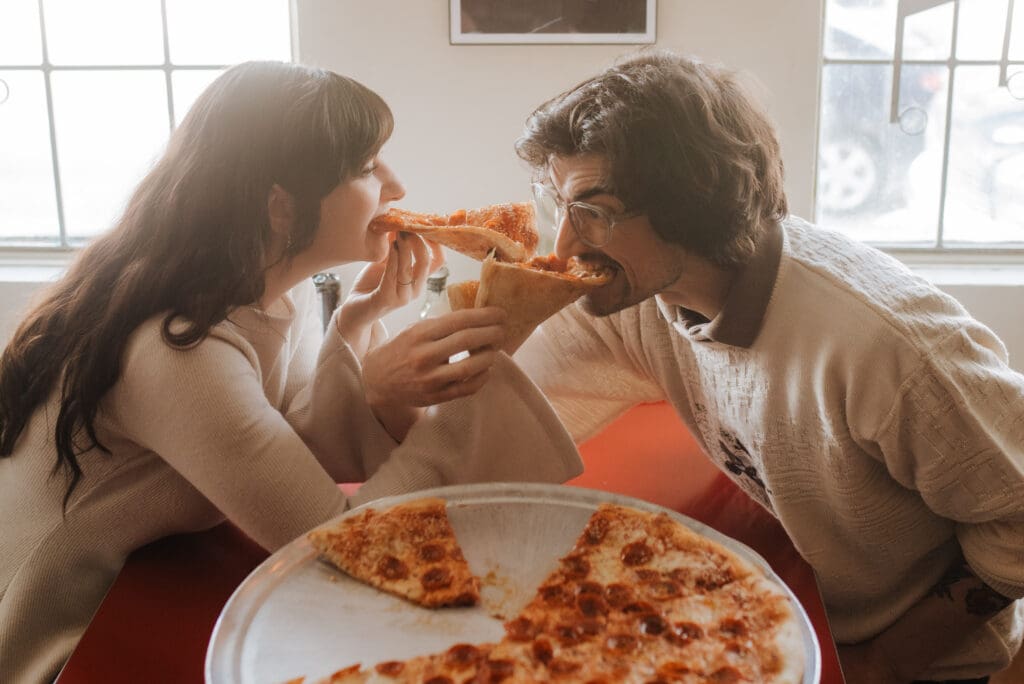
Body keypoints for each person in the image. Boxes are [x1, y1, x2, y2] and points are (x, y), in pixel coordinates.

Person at [0, 61, 581, 683]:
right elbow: (341, 544)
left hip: (164, 572)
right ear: (281, 206)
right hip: (74, 634)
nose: (397, 186)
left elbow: (292, 443)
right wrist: (473, 386)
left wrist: (356, 326)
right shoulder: (177, 350)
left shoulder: (277, 290)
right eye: (366, 167)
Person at [510, 50, 1024, 683]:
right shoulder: (643, 292)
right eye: (558, 205)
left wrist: (886, 661)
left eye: (595, 211)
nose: (564, 244)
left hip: (913, 658)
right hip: (791, 614)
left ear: (687, 203)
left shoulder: (884, 345)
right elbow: (513, 397)